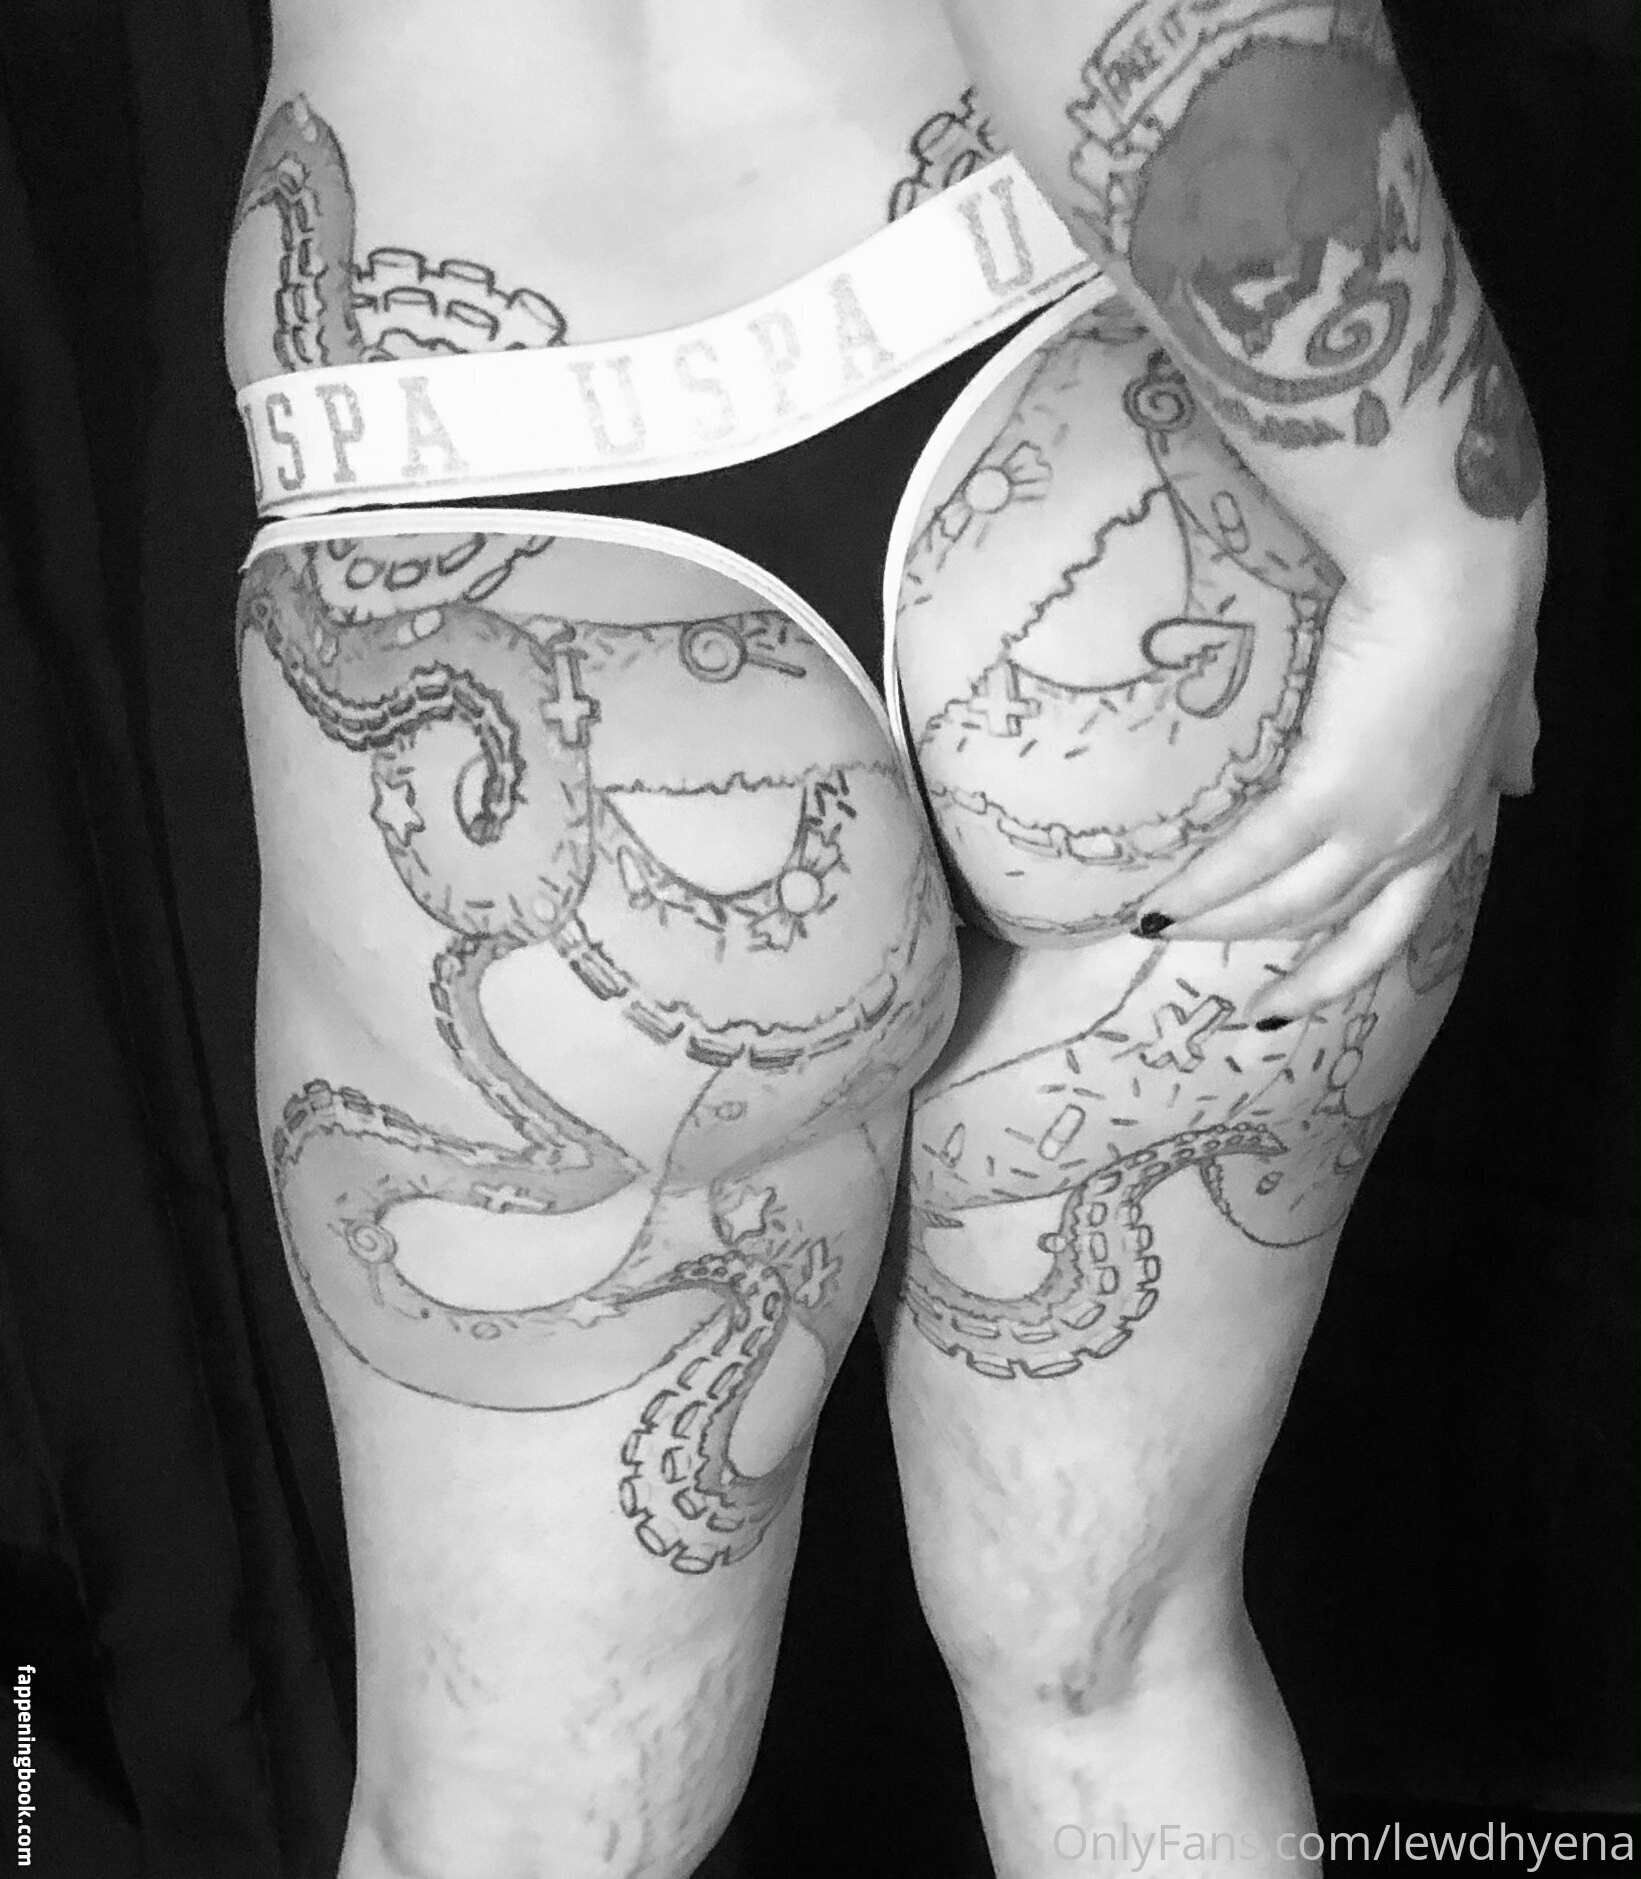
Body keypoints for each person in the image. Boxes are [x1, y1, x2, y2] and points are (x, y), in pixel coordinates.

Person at [224, 2, 1545, 1873]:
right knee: (1118, 1661)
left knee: (504, 1825)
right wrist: (1439, 532)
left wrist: (1436, 547)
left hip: (478, 509)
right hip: (1071, 388)